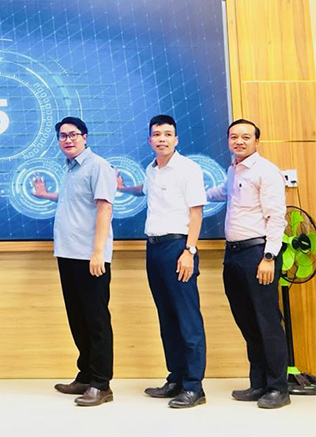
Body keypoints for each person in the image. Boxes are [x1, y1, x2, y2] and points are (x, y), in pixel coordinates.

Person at [117, 115, 208, 408]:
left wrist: (189, 251)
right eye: (157, 134)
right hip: (154, 248)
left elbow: (196, 213)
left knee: (187, 319)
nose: (162, 139)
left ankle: (194, 387)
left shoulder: (188, 169)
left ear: (176, 139)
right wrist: (123, 188)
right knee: (167, 317)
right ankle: (176, 378)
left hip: (178, 247)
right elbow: (145, 191)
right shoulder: (152, 170)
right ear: (150, 140)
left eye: (168, 134)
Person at [33, 116, 116, 406]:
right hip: (67, 254)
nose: (68, 140)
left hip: (89, 256)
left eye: (73, 134)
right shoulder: (70, 168)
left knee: (96, 321)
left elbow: (104, 208)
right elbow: (75, 200)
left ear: (84, 137)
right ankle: (86, 376)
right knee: (78, 319)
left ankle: (101, 385)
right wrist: (46, 195)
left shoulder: (98, 166)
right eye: (63, 136)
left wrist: (98, 252)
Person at [206, 119, 289, 409]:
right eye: (234, 136)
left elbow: (277, 217)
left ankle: (278, 388)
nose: (239, 141)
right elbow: (220, 193)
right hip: (233, 254)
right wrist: (191, 195)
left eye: (245, 137)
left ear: (256, 141)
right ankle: (259, 384)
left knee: (267, 322)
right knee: (247, 322)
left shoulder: (266, 171)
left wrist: (269, 257)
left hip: (258, 254)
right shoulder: (233, 170)